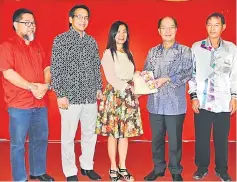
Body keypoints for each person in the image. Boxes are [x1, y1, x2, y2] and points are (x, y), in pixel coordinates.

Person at [0, 8, 54, 181]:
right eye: (27, 23)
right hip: (19, 105)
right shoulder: (7, 46)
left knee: (40, 140)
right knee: (18, 145)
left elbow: (47, 67)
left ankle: (38, 172)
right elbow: (7, 72)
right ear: (16, 25)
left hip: (40, 103)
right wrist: (32, 87)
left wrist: (45, 85)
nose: (31, 27)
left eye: (33, 23)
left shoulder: (38, 45)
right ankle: (20, 178)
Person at [51, 4, 102, 181]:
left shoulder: (91, 41)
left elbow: (96, 67)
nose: (83, 20)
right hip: (69, 98)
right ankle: (70, 171)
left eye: (86, 17)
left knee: (90, 134)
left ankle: (87, 166)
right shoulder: (61, 40)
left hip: (89, 96)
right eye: (79, 17)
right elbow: (56, 69)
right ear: (70, 19)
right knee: (68, 136)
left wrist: (98, 88)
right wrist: (60, 94)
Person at [143, 17, 192, 181]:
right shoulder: (152, 51)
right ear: (159, 31)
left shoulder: (185, 51)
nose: (168, 31)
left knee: (175, 141)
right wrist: (143, 76)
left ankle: (176, 170)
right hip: (155, 104)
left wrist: (167, 78)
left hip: (175, 104)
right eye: (164, 28)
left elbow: (188, 73)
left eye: (171, 27)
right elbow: (147, 72)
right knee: (156, 139)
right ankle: (158, 168)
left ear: (176, 30)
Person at [188, 12, 236, 182]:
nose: (213, 28)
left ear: (223, 27)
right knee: (201, 137)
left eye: (217, 24)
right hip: (202, 102)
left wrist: (234, 97)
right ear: (205, 26)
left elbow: (234, 75)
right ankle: (201, 168)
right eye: (209, 24)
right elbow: (192, 74)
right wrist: (193, 96)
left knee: (222, 138)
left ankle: (222, 169)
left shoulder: (231, 49)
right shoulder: (196, 47)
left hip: (223, 101)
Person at [95, 21, 143, 181]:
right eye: (118, 31)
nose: (122, 35)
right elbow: (111, 77)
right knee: (113, 134)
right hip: (115, 96)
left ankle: (123, 166)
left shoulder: (129, 54)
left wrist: (141, 83)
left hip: (128, 97)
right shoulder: (109, 53)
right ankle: (113, 167)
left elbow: (132, 75)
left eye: (125, 32)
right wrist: (129, 88)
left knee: (125, 134)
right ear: (113, 34)